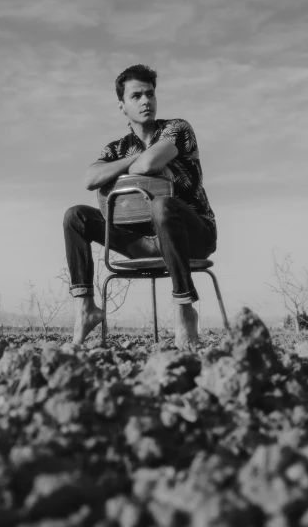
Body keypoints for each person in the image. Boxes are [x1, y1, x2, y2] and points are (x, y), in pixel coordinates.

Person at [63, 64, 217, 349]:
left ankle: (184, 310)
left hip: (193, 235)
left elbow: (148, 163)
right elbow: (90, 178)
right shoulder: (116, 148)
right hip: (144, 242)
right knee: (76, 216)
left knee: (162, 205)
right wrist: (123, 164)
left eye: (150, 94)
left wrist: (116, 172)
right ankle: (85, 309)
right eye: (136, 96)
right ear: (122, 106)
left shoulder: (177, 129)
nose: (146, 100)